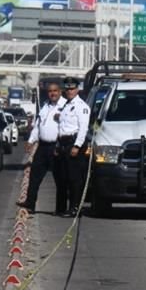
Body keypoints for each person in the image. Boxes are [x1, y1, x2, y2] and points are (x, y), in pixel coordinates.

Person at [20, 81, 66, 214]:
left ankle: (61, 208)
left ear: (60, 91)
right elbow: (38, 126)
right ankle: (30, 204)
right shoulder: (45, 106)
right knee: (34, 176)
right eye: (50, 91)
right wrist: (30, 141)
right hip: (43, 146)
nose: (52, 93)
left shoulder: (65, 106)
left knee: (60, 179)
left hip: (56, 146)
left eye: (55, 91)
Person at [55, 77, 90, 217]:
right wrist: (58, 144)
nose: (69, 91)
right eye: (67, 89)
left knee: (74, 179)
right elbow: (62, 127)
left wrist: (77, 146)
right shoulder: (66, 106)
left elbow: (83, 129)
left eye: (72, 88)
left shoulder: (82, 107)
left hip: (74, 143)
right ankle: (64, 208)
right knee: (64, 177)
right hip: (63, 143)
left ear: (77, 89)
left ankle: (75, 208)